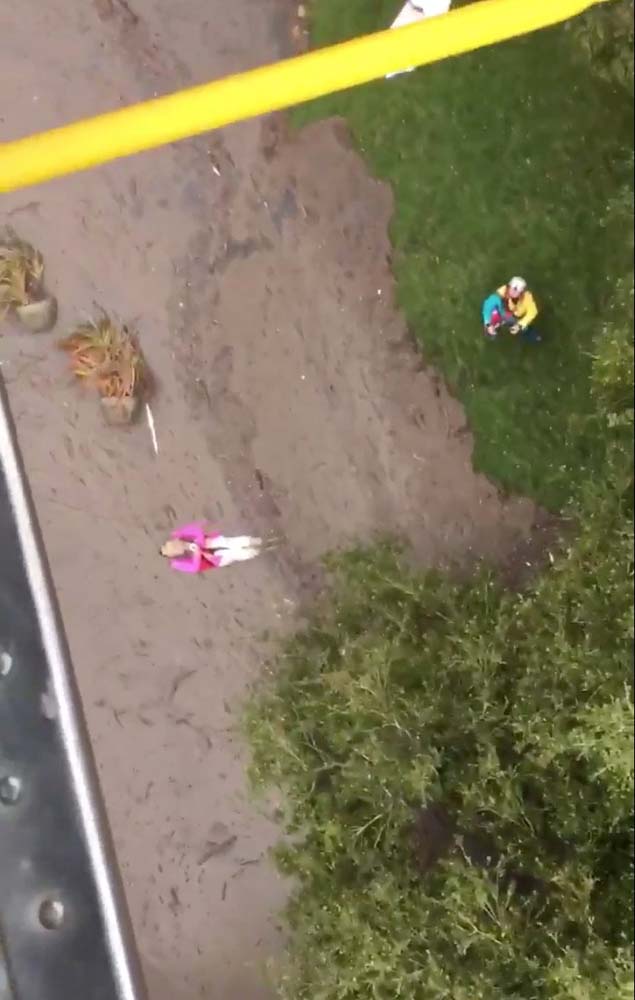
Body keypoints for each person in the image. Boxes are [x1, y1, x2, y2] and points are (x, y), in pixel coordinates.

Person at [160, 522, 265, 573]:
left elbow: (196, 530)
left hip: (210, 542)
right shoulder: (177, 563)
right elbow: (194, 568)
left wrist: (199, 542)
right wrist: (197, 554)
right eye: (173, 549)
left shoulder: (180, 534)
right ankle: (253, 552)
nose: (176, 545)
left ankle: (253, 541)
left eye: (172, 544)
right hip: (211, 560)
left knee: (230, 542)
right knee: (232, 554)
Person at [481, 276, 540, 342]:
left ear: (522, 293)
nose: (512, 292)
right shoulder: (502, 292)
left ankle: (527, 333)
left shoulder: (527, 298)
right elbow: (488, 305)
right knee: (490, 319)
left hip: (517, 318)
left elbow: (532, 312)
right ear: (509, 286)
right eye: (511, 289)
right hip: (503, 312)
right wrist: (488, 324)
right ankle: (492, 332)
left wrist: (520, 325)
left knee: (524, 328)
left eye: (516, 291)